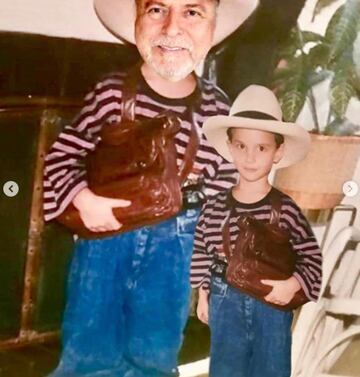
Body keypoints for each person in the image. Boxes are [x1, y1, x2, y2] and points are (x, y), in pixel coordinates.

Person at [43, 0, 258, 376]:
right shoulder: (111, 94)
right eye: (157, 9)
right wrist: (82, 199)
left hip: (178, 244)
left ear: (213, 27)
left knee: (155, 347)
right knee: (89, 339)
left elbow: (224, 195)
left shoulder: (217, 109)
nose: (172, 28)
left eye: (192, 12)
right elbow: (62, 155)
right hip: (106, 236)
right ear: (138, 20)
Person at [190, 85, 322, 377]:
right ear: (229, 147)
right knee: (226, 368)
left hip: (271, 303)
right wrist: (203, 293)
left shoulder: (285, 209)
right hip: (224, 295)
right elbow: (202, 248)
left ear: (278, 152)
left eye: (261, 148)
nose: (250, 158)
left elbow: (310, 256)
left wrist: (293, 285)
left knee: (271, 368)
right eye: (241, 146)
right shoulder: (214, 206)